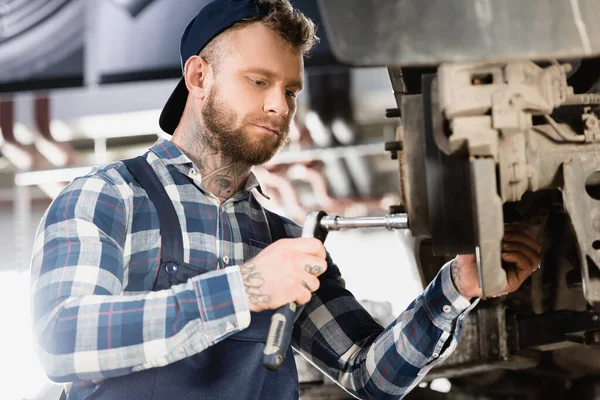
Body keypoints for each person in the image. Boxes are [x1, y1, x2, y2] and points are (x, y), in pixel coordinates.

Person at [29, 1, 542, 399]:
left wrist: (454, 287)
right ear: (198, 77)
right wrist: (246, 289)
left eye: (291, 91)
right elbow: (64, 341)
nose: (279, 105)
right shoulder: (107, 197)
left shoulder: (281, 239)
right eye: (258, 81)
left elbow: (369, 375)